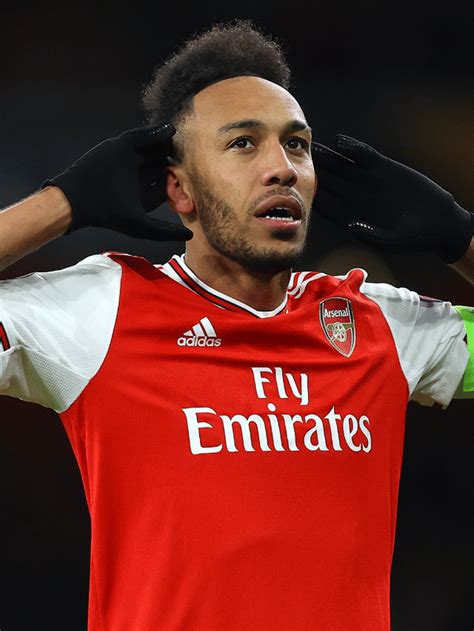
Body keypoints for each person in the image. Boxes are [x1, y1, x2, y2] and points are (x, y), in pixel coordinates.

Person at [0, 21, 472, 631]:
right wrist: (62, 204)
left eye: (296, 145)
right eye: (243, 143)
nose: (282, 168)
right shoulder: (99, 312)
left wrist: (459, 235)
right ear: (180, 189)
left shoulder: (378, 323)